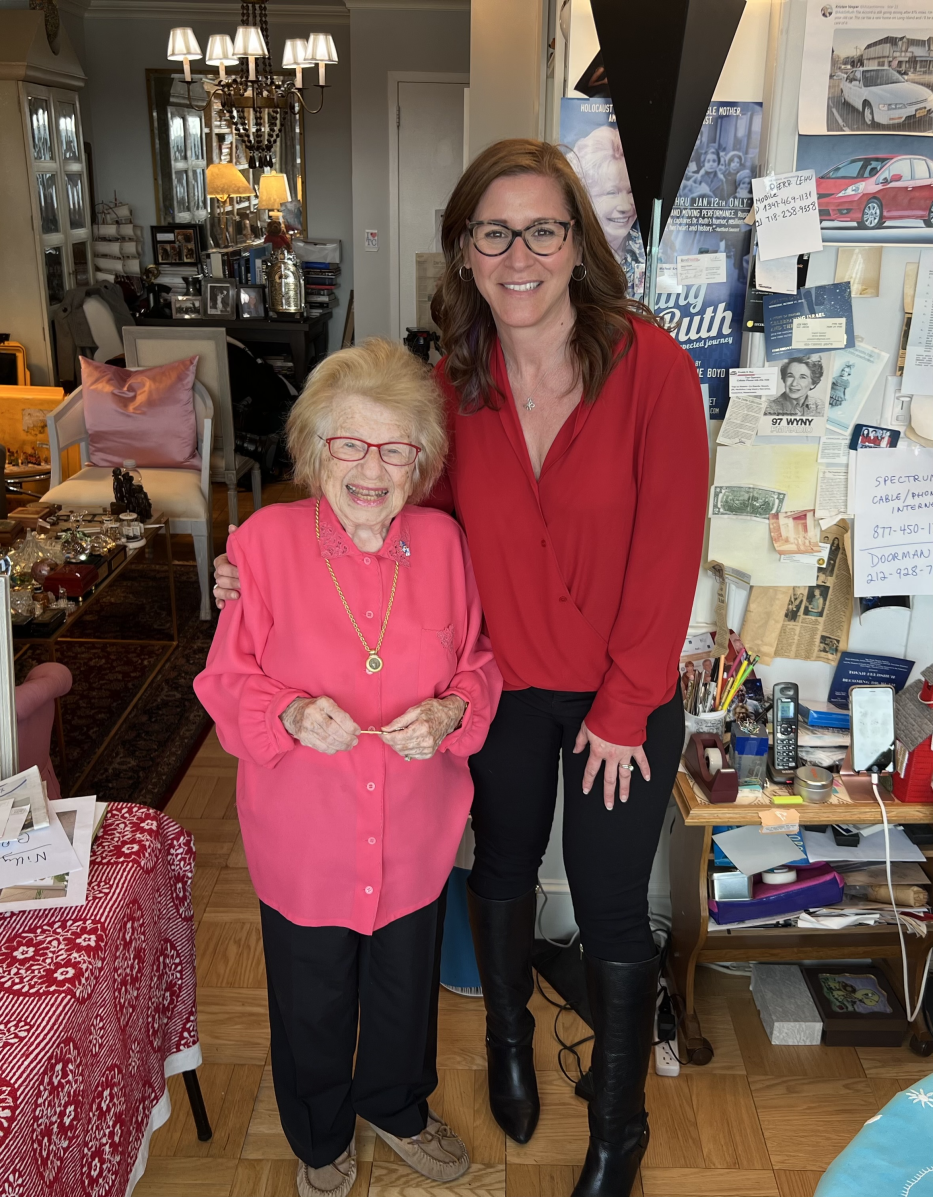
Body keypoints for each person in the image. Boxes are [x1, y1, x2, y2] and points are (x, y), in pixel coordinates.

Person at [214, 139, 709, 1197]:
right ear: (467, 251)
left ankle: (620, 1128)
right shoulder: (456, 381)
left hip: (622, 697)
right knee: (501, 872)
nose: (519, 253)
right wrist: (253, 571)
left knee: (618, 904)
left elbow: (671, 548)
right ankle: (513, 1051)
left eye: (544, 228)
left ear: (577, 243)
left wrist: (625, 706)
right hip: (510, 690)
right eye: (495, 231)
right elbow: (402, 527)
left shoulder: (651, 367)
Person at [195, 338, 502, 1197]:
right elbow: (224, 680)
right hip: (306, 836)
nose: (373, 468)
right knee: (312, 997)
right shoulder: (260, 544)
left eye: (396, 447)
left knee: (406, 988)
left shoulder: (445, 545)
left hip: (413, 829)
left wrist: (448, 711)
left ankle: (398, 1105)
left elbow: (479, 664)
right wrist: (288, 712)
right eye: (351, 444)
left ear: (421, 460)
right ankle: (320, 1131)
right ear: (315, 450)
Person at [566, 125, 645, 300]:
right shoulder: (566, 260)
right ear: (585, 197)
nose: (625, 206)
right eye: (612, 192)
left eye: (631, 192)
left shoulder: (650, 251)